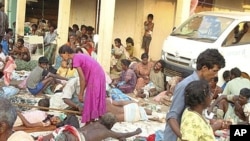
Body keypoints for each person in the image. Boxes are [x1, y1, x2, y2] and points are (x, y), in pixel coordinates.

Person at [163, 49, 225, 141]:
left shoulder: (201, 85)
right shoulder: (185, 85)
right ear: (204, 68)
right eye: (215, 71)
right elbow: (172, 116)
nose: (216, 75)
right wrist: (184, 137)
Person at [58, 45, 106, 124]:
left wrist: (80, 94)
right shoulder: (79, 56)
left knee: (91, 99)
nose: (62, 58)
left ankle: (91, 121)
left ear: (66, 53)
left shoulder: (76, 58)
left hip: (95, 76)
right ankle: (94, 120)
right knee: (93, 99)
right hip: (98, 74)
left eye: (62, 56)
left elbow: (82, 78)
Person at [36, 112, 142, 141]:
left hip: (68, 131)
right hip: (76, 138)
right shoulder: (106, 132)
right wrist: (136, 132)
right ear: (110, 125)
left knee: (59, 134)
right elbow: (123, 134)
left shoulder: (94, 123)